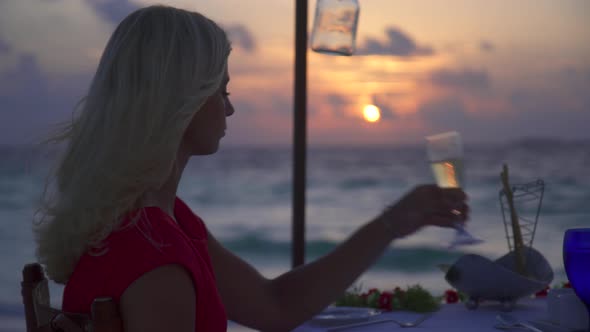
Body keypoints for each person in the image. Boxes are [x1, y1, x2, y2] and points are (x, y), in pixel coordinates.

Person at [34, 5, 469, 332]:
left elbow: (273, 305)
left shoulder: (152, 223)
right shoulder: (155, 258)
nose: (231, 107)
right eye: (221, 90)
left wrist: (395, 221)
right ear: (180, 101)